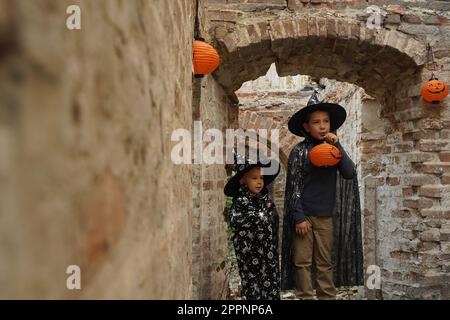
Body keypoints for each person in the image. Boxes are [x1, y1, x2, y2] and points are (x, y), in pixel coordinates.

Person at [281, 90, 364, 300]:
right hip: (304, 216)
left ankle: (327, 296)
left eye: (325, 121)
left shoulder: (333, 150)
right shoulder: (300, 152)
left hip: (325, 215)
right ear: (306, 127)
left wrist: (337, 144)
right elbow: (293, 187)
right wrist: (298, 217)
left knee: (325, 262)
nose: (322, 126)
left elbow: (349, 173)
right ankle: (305, 296)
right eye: (316, 122)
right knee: (302, 262)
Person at [224, 154, 281, 300]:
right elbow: (237, 220)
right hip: (249, 254)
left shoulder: (265, 199)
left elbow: (272, 218)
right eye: (254, 178)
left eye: (261, 178)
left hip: (268, 252)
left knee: (270, 284)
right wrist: (260, 217)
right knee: (253, 286)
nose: (259, 182)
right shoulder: (241, 201)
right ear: (243, 180)